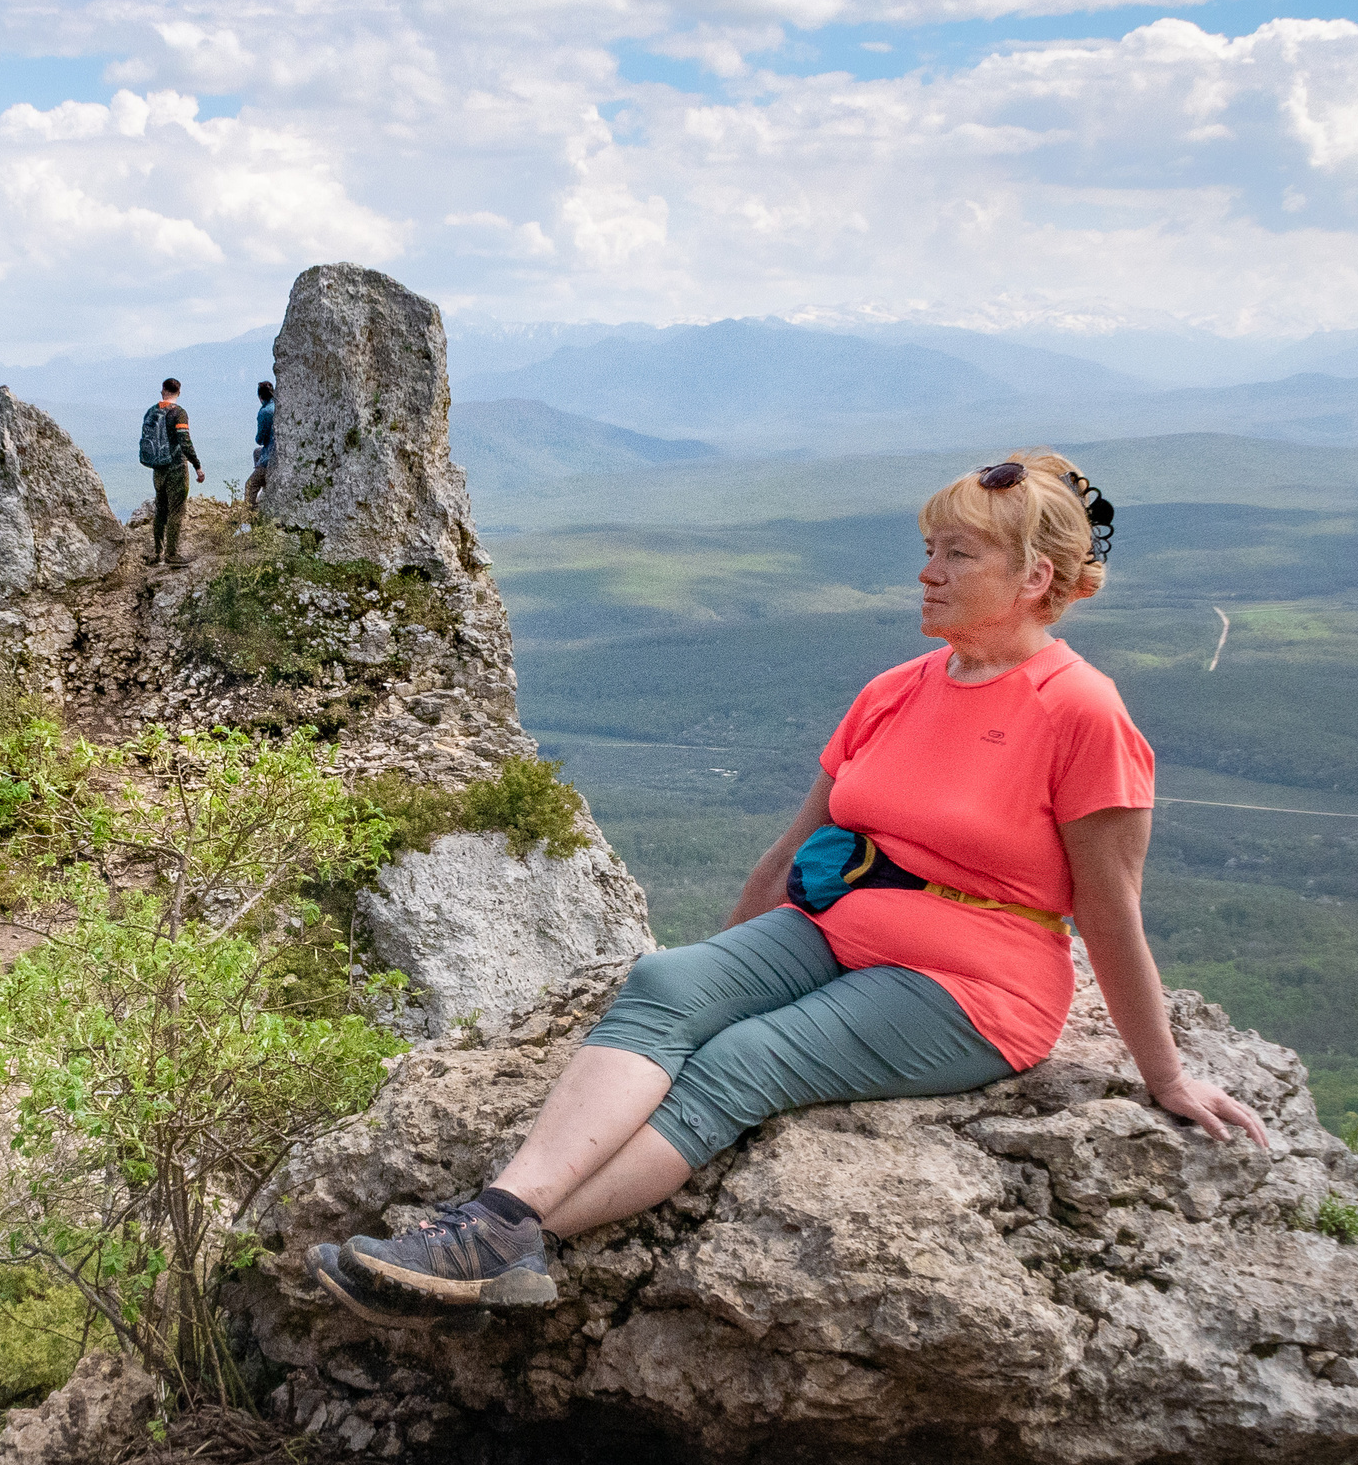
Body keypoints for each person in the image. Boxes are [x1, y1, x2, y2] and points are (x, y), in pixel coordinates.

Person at [307, 449, 1272, 1323]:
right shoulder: (898, 688)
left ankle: (501, 1247)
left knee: (746, 1061)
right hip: (841, 924)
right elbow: (797, 845)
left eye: (958, 555)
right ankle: (497, 1223)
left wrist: (1166, 1075)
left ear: (1036, 579)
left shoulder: (1083, 713)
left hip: (976, 985)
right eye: (929, 549)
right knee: (667, 990)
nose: (928, 572)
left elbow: (1109, 911)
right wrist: (722, 963)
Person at [140, 376, 203, 566]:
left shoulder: (151, 412)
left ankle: (158, 553)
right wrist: (197, 465)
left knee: (160, 511)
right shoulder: (179, 413)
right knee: (176, 511)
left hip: (157, 469)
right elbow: (184, 441)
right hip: (176, 467)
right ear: (179, 392)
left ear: (163, 391)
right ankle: (172, 555)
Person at [245, 380, 277, 516]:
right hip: (278, 451)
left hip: (271, 456)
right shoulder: (277, 405)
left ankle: (249, 517)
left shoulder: (265, 412)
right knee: (257, 453)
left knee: (250, 485)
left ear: (260, 397)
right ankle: (266, 486)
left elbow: (260, 439)